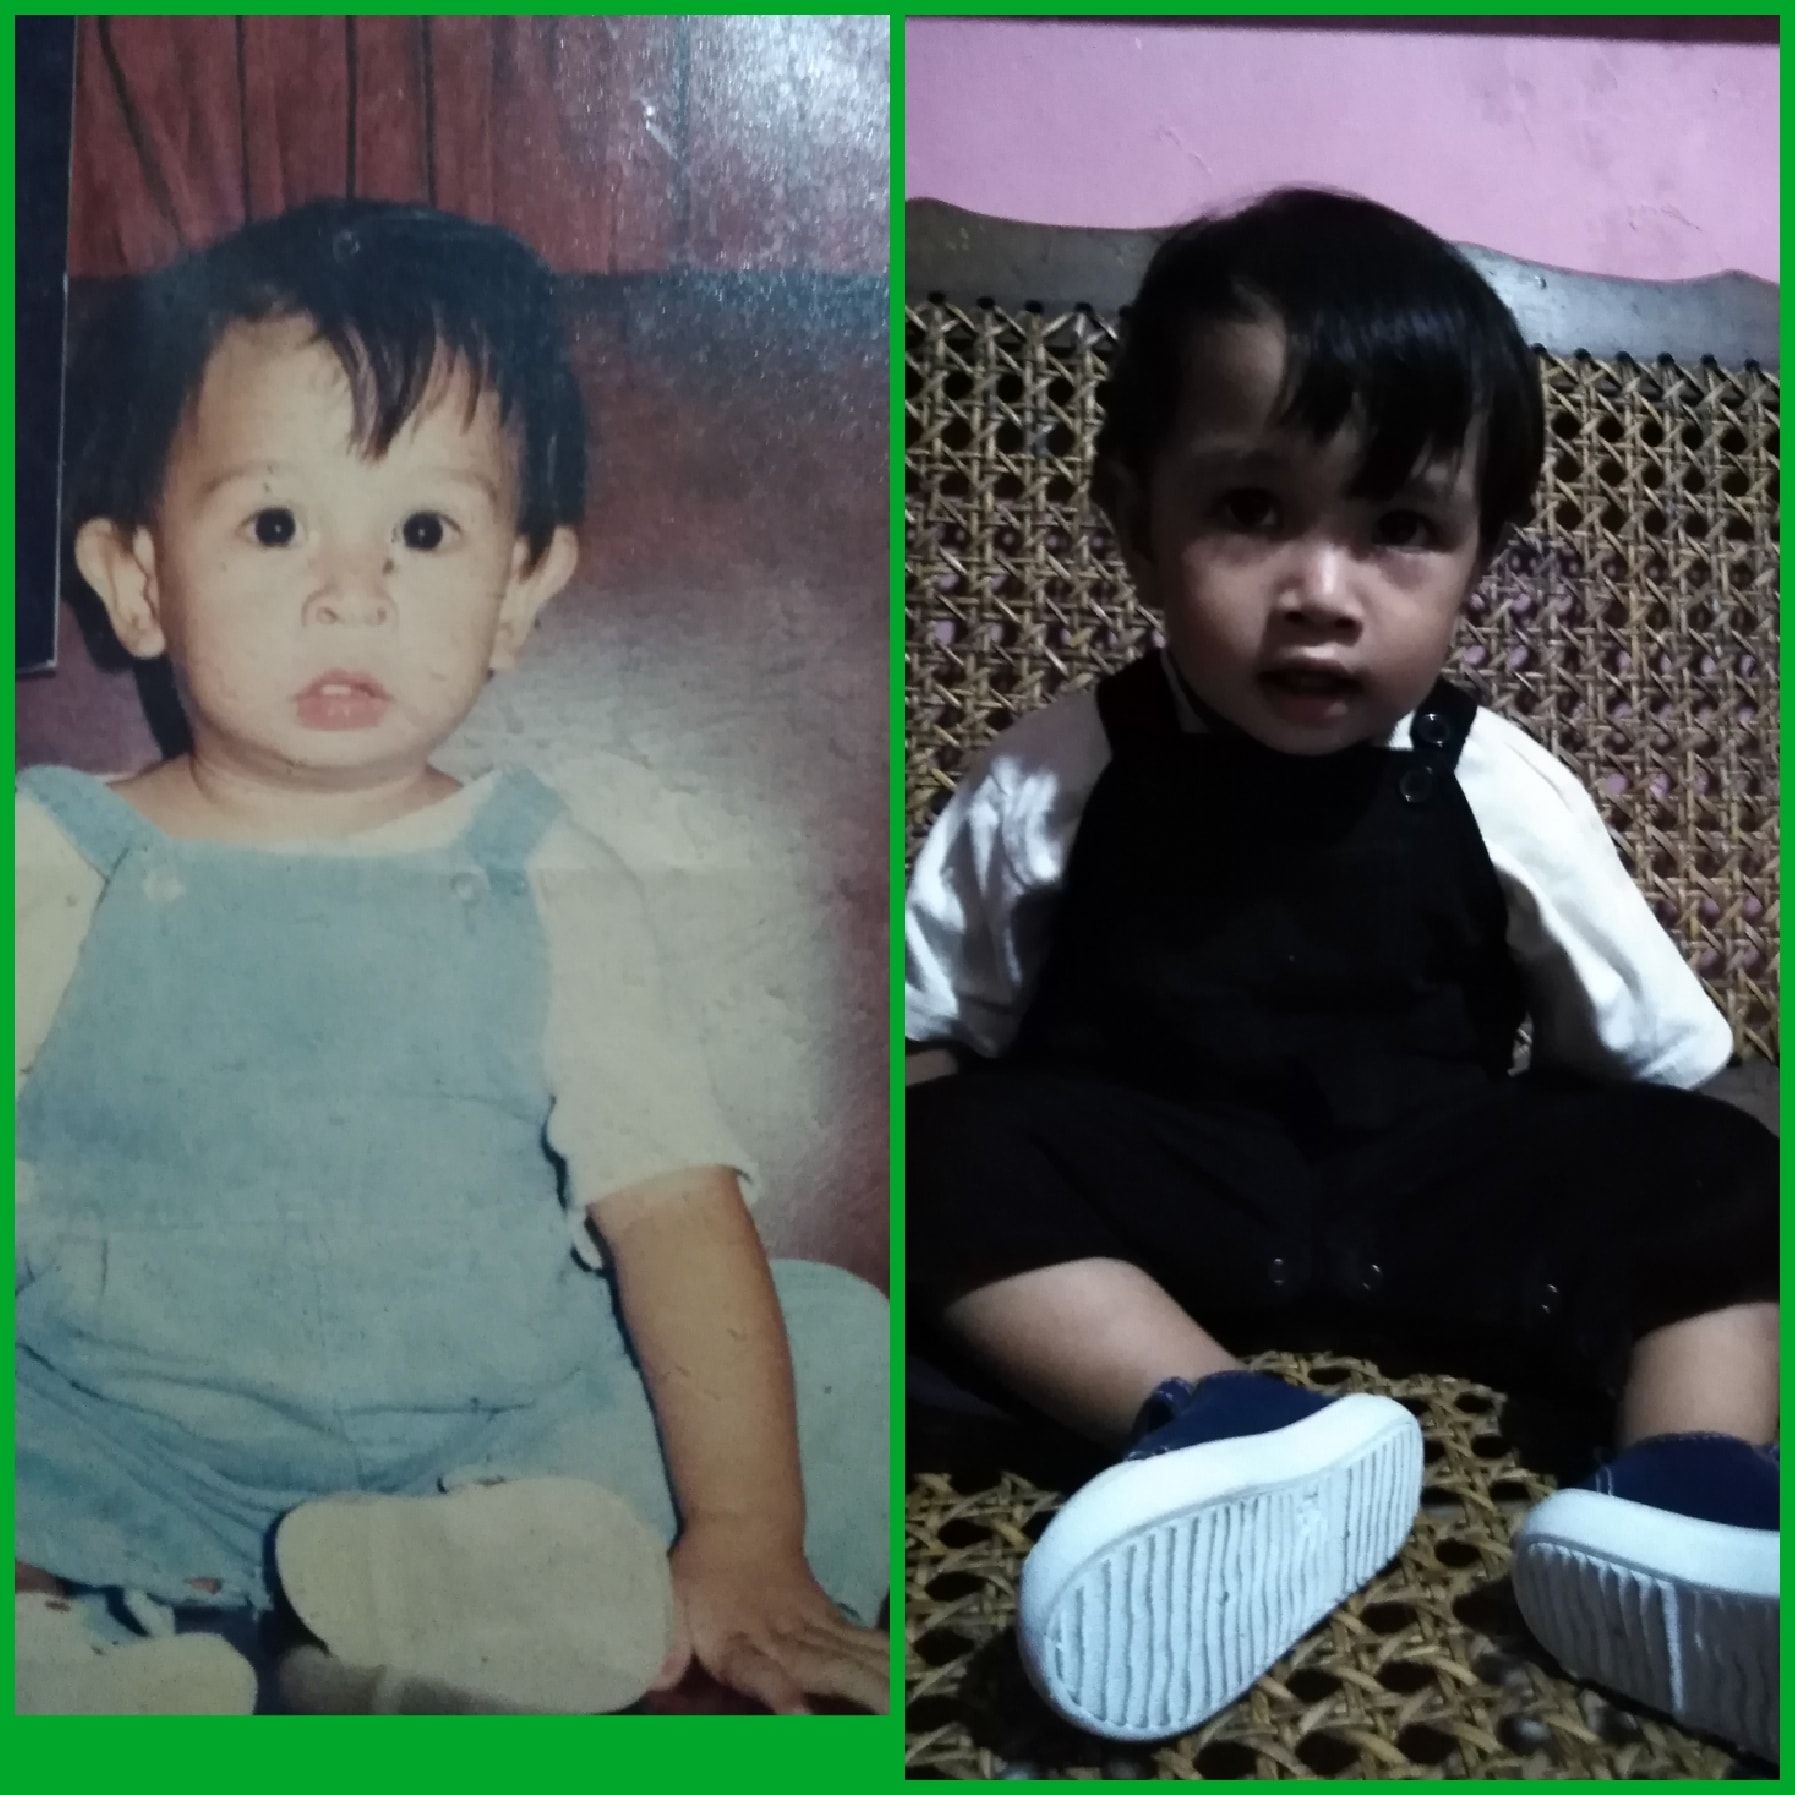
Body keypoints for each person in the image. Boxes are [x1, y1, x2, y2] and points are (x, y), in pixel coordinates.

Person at [906, 189, 1776, 1759]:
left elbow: (1650, 1052)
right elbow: (931, 1024)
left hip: (1431, 1175)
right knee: (922, 1151)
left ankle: (1695, 1494)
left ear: (1478, 561)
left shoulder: (1499, 784)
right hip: (1155, 1197)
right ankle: (1217, 1422)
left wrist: (1627, 1184)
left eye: (1400, 529)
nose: (1322, 588)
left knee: (1724, 1170)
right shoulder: (1058, 773)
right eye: (1252, 509)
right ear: (1136, 521)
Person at [16, 198, 888, 1716]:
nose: (351, 593)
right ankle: (96, 1643)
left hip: (488, 1450)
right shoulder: (55, 854)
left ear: (521, 591)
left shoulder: (545, 873)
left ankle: (460, 1589)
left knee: (838, 1348)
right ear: (139, 579)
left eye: (423, 532)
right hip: (120, 1445)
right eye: (276, 525)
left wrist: (748, 1538)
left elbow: (672, 1209)